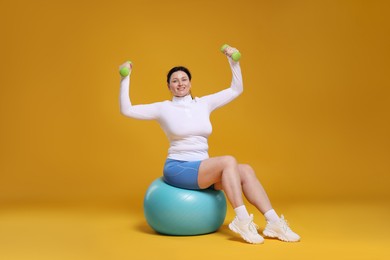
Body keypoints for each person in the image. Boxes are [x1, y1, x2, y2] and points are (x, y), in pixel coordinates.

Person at [119, 46, 300, 244]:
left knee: (246, 170)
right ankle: (241, 219)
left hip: (202, 168)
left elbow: (235, 89)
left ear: (190, 82)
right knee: (228, 161)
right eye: (175, 81)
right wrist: (125, 77)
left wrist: (234, 61)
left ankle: (273, 222)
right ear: (169, 86)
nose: (180, 84)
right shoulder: (163, 108)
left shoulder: (203, 103)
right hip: (179, 167)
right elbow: (127, 109)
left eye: (184, 79)